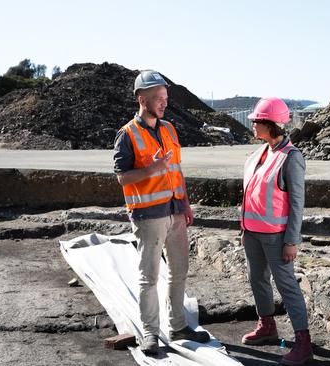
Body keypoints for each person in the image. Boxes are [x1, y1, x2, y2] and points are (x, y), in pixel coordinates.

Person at [113, 70, 210, 355]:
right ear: (141, 99)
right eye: (158, 98)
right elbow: (122, 178)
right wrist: (151, 170)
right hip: (148, 216)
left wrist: (186, 204)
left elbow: (177, 171)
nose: (163, 102)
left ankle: (178, 325)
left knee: (179, 270)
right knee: (149, 277)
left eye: (165, 97)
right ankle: (150, 334)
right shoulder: (127, 134)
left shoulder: (169, 129)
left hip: (176, 212)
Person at [240, 97, 312, 365]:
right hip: (253, 232)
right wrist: (244, 227)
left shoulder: (291, 158)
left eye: (257, 121)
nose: (253, 125)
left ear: (271, 124)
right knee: (256, 277)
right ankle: (267, 326)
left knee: (287, 285)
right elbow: (250, 194)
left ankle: (303, 343)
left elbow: (297, 203)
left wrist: (291, 241)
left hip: (276, 236)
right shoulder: (259, 154)